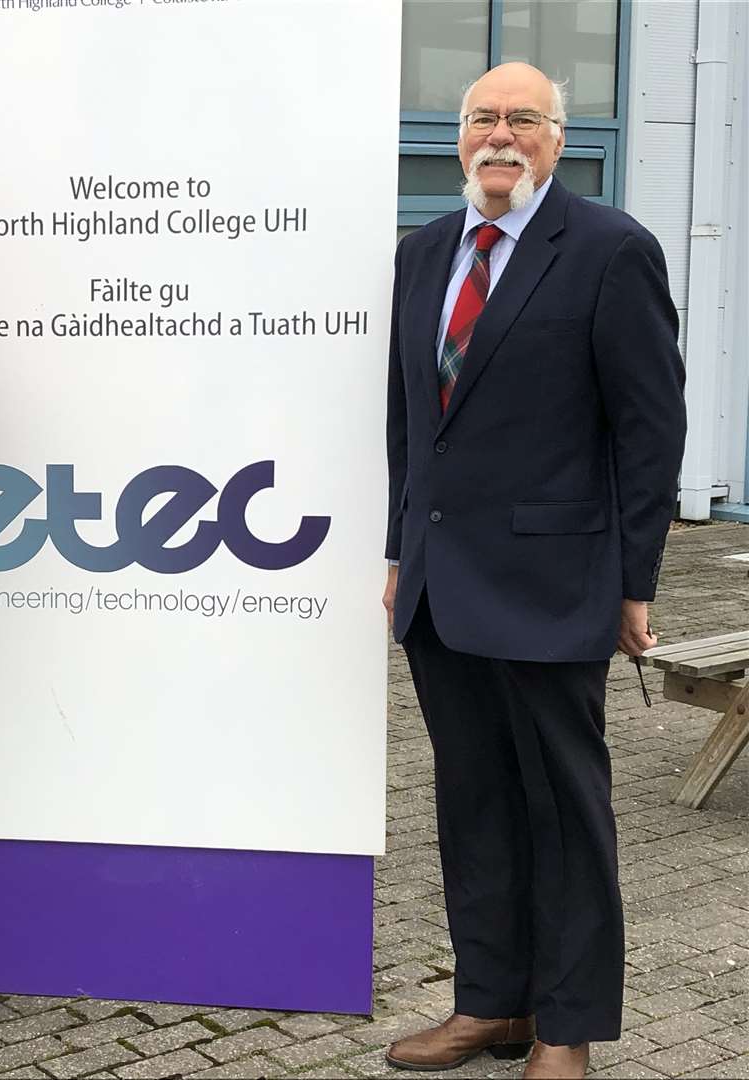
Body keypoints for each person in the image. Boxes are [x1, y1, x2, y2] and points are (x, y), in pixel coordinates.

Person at [381, 63, 687, 1080]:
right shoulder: (425, 253)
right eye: (481, 118)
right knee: (472, 802)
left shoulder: (608, 251)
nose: (498, 134)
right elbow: (408, 423)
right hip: (439, 585)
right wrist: (398, 550)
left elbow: (649, 431)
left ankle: (567, 1027)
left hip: (555, 587)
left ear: (556, 139)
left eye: (521, 118)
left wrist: (633, 583)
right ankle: (492, 1006)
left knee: (563, 812)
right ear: (457, 136)